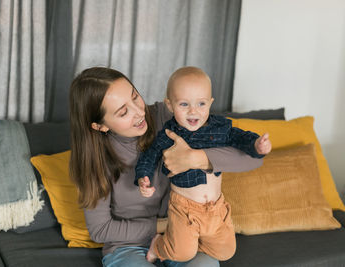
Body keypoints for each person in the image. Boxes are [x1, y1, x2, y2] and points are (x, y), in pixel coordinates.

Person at [69, 66, 264, 267]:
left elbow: (254, 159)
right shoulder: (92, 160)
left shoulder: (170, 116)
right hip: (128, 246)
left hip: (185, 237)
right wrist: (163, 226)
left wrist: (197, 158)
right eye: (123, 112)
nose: (139, 112)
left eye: (135, 97)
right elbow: (101, 229)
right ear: (100, 125)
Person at [134, 66, 272, 263]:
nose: (193, 111)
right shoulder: (169, 134)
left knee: (226, 252)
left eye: (201, 103)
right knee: (182, 253)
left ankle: (192, 239)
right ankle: (158, 245)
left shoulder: (221, 128)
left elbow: (239, 138)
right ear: (170, 105)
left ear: (210, 103)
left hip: (216, 207)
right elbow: (150, 155)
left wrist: (257, 145)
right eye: (184, 104)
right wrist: (143, 177)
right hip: (185, 208)